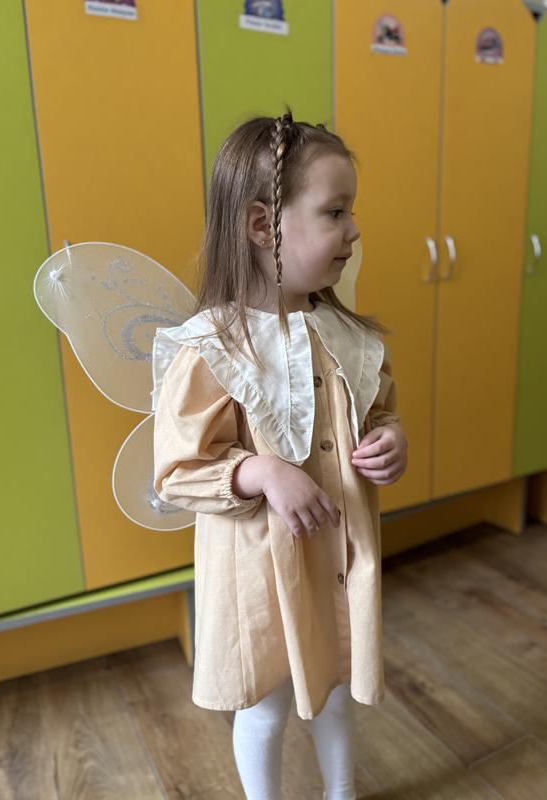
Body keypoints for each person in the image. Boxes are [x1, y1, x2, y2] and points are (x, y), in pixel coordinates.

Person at [152, 108, 408, 800]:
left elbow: (379, 410)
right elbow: (177, 471)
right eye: (335, 212)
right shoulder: (213, 348)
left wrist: (391, 439)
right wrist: (260, 470)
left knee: (334, 690)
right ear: (264, 226)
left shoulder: (346, 337)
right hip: (259, 574)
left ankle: (340, 792)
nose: (354, 231)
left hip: (334, 560)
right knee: (265, 706)